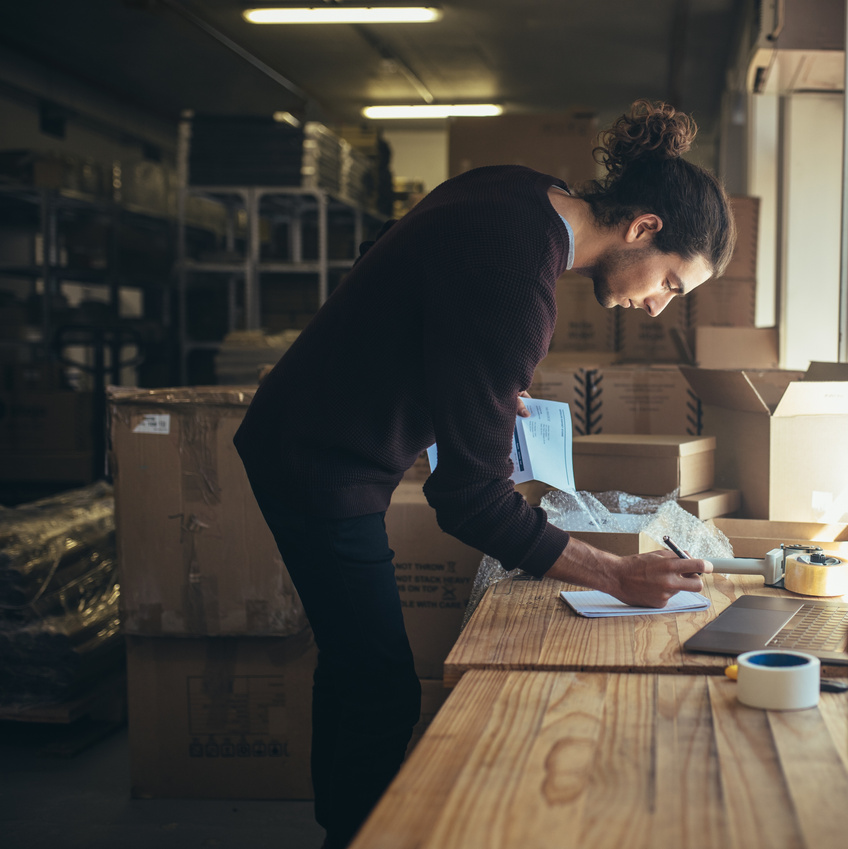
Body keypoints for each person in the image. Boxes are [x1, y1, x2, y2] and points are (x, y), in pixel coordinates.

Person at [233, 99, 735, 848]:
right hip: (320, 460)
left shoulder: (518, 190)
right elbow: (468, 499)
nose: (659, 307)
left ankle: (338, 827)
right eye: (671, 282)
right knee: (381, 688)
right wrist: (614, 574)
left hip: (304, 431)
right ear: (643, 229)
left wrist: (470, 379)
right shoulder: (519, 282)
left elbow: (392, 251)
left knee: (353, 663)